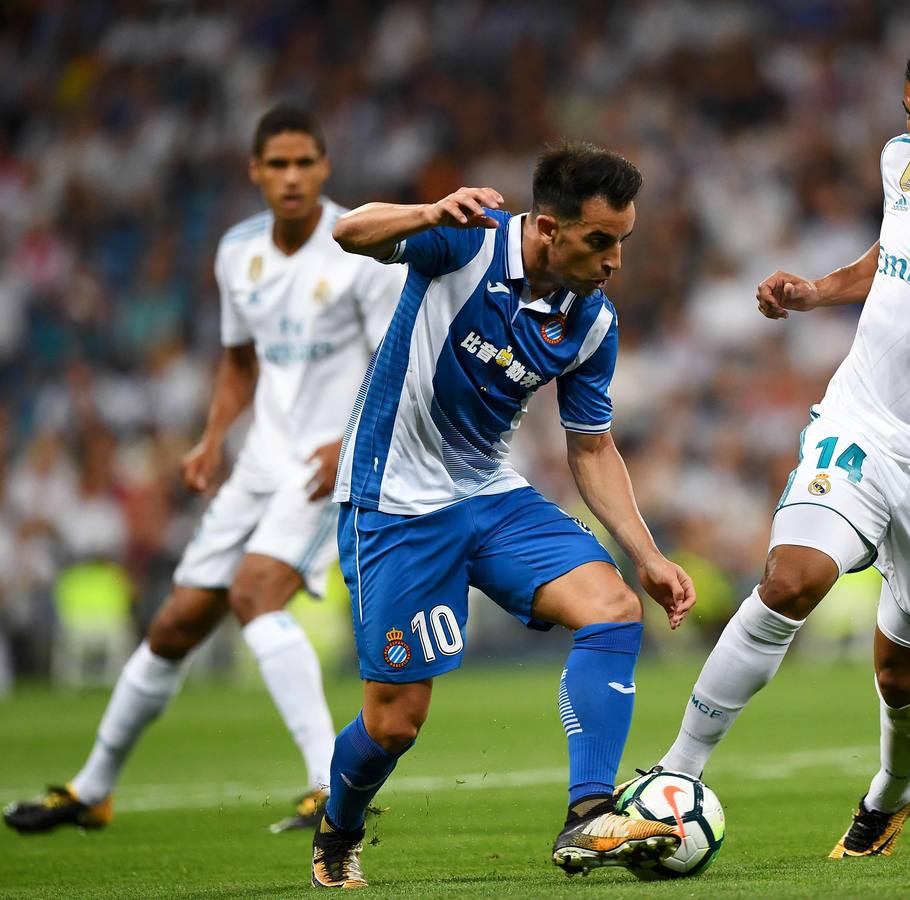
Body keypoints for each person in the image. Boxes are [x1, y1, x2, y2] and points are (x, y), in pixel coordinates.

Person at [649, 26, 910, 858]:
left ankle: (892, 788)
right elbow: (893, 256)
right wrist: (815, 290)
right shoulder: (903, 164)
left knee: (898, 675)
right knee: (792, 579)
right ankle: (673, 776)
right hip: (861, 421)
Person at [3, 104, 405, 836]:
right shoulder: (237, 253)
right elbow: (238, 361)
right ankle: (94, 788)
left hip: (327, 466)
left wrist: (346, 445)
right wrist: (212, 437)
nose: (290, 177)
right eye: (275, 164)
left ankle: (328, 784)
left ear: (324, 168)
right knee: (175, 623)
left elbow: (393, 364)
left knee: (256, 595)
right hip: (259, 460)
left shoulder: (358, 247)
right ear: (254, 171)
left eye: (303, 163)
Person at [308, 142, 697, 889]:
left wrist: (646, 553)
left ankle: (589, 814)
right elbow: (349, 230)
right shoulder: (463, 241)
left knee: (614, 607)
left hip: (488, 493)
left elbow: (591, 450)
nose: (615, 259)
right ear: (548, 229)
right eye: (600, 241)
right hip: (393, 502)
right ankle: (340, 825)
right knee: (395, 724)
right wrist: (427, 210)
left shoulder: (591, 323)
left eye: (623, 241)